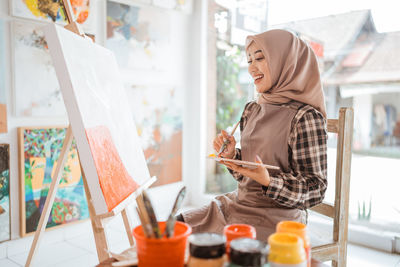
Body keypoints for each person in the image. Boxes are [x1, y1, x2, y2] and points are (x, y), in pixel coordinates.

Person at [177, 29, 328, 241]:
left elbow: (316, 189)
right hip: (238, 204)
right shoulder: (252, 109)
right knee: (176, 226)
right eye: (249, 60)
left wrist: (270, 182)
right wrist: (232, 156)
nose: (251, 68)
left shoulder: (305, 117)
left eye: (259, 58)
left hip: (278, 217)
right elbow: (248, 173)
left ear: (286, 62)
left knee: (219, 253)